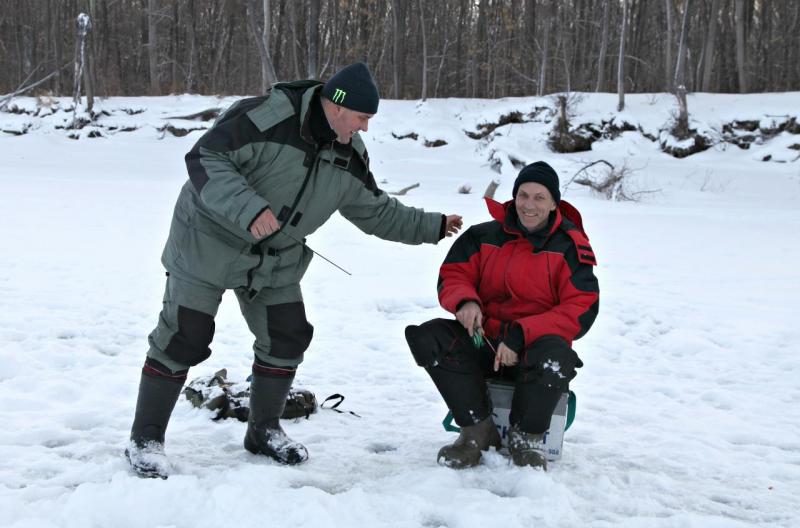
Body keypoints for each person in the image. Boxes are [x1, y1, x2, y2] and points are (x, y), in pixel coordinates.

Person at [126, 62, 463, 479]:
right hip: (207, 243)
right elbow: (205, 157)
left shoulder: (348, 153)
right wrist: (249, 209)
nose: (366, 128)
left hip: (274, 256)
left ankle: (263, 431)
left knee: (288, 336)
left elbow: (375, 210)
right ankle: (146, 439)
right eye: (363, 118)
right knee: (183, 337)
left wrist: (431, 226)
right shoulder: (268, 117)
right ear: (337, 106)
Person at [405, 161, 599, 470]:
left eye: (539, 197)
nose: (529, 205)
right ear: (514, 196)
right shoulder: (482, 236)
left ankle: (527, 438)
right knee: (429, 336)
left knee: (557, 355)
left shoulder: (570, 247)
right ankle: (476, 432)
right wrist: (466, 302)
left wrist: (521, 333)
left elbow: (581, 308)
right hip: (487, 342)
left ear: (553, 204)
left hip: (532, 351)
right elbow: (454, 275)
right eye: (523, 195)